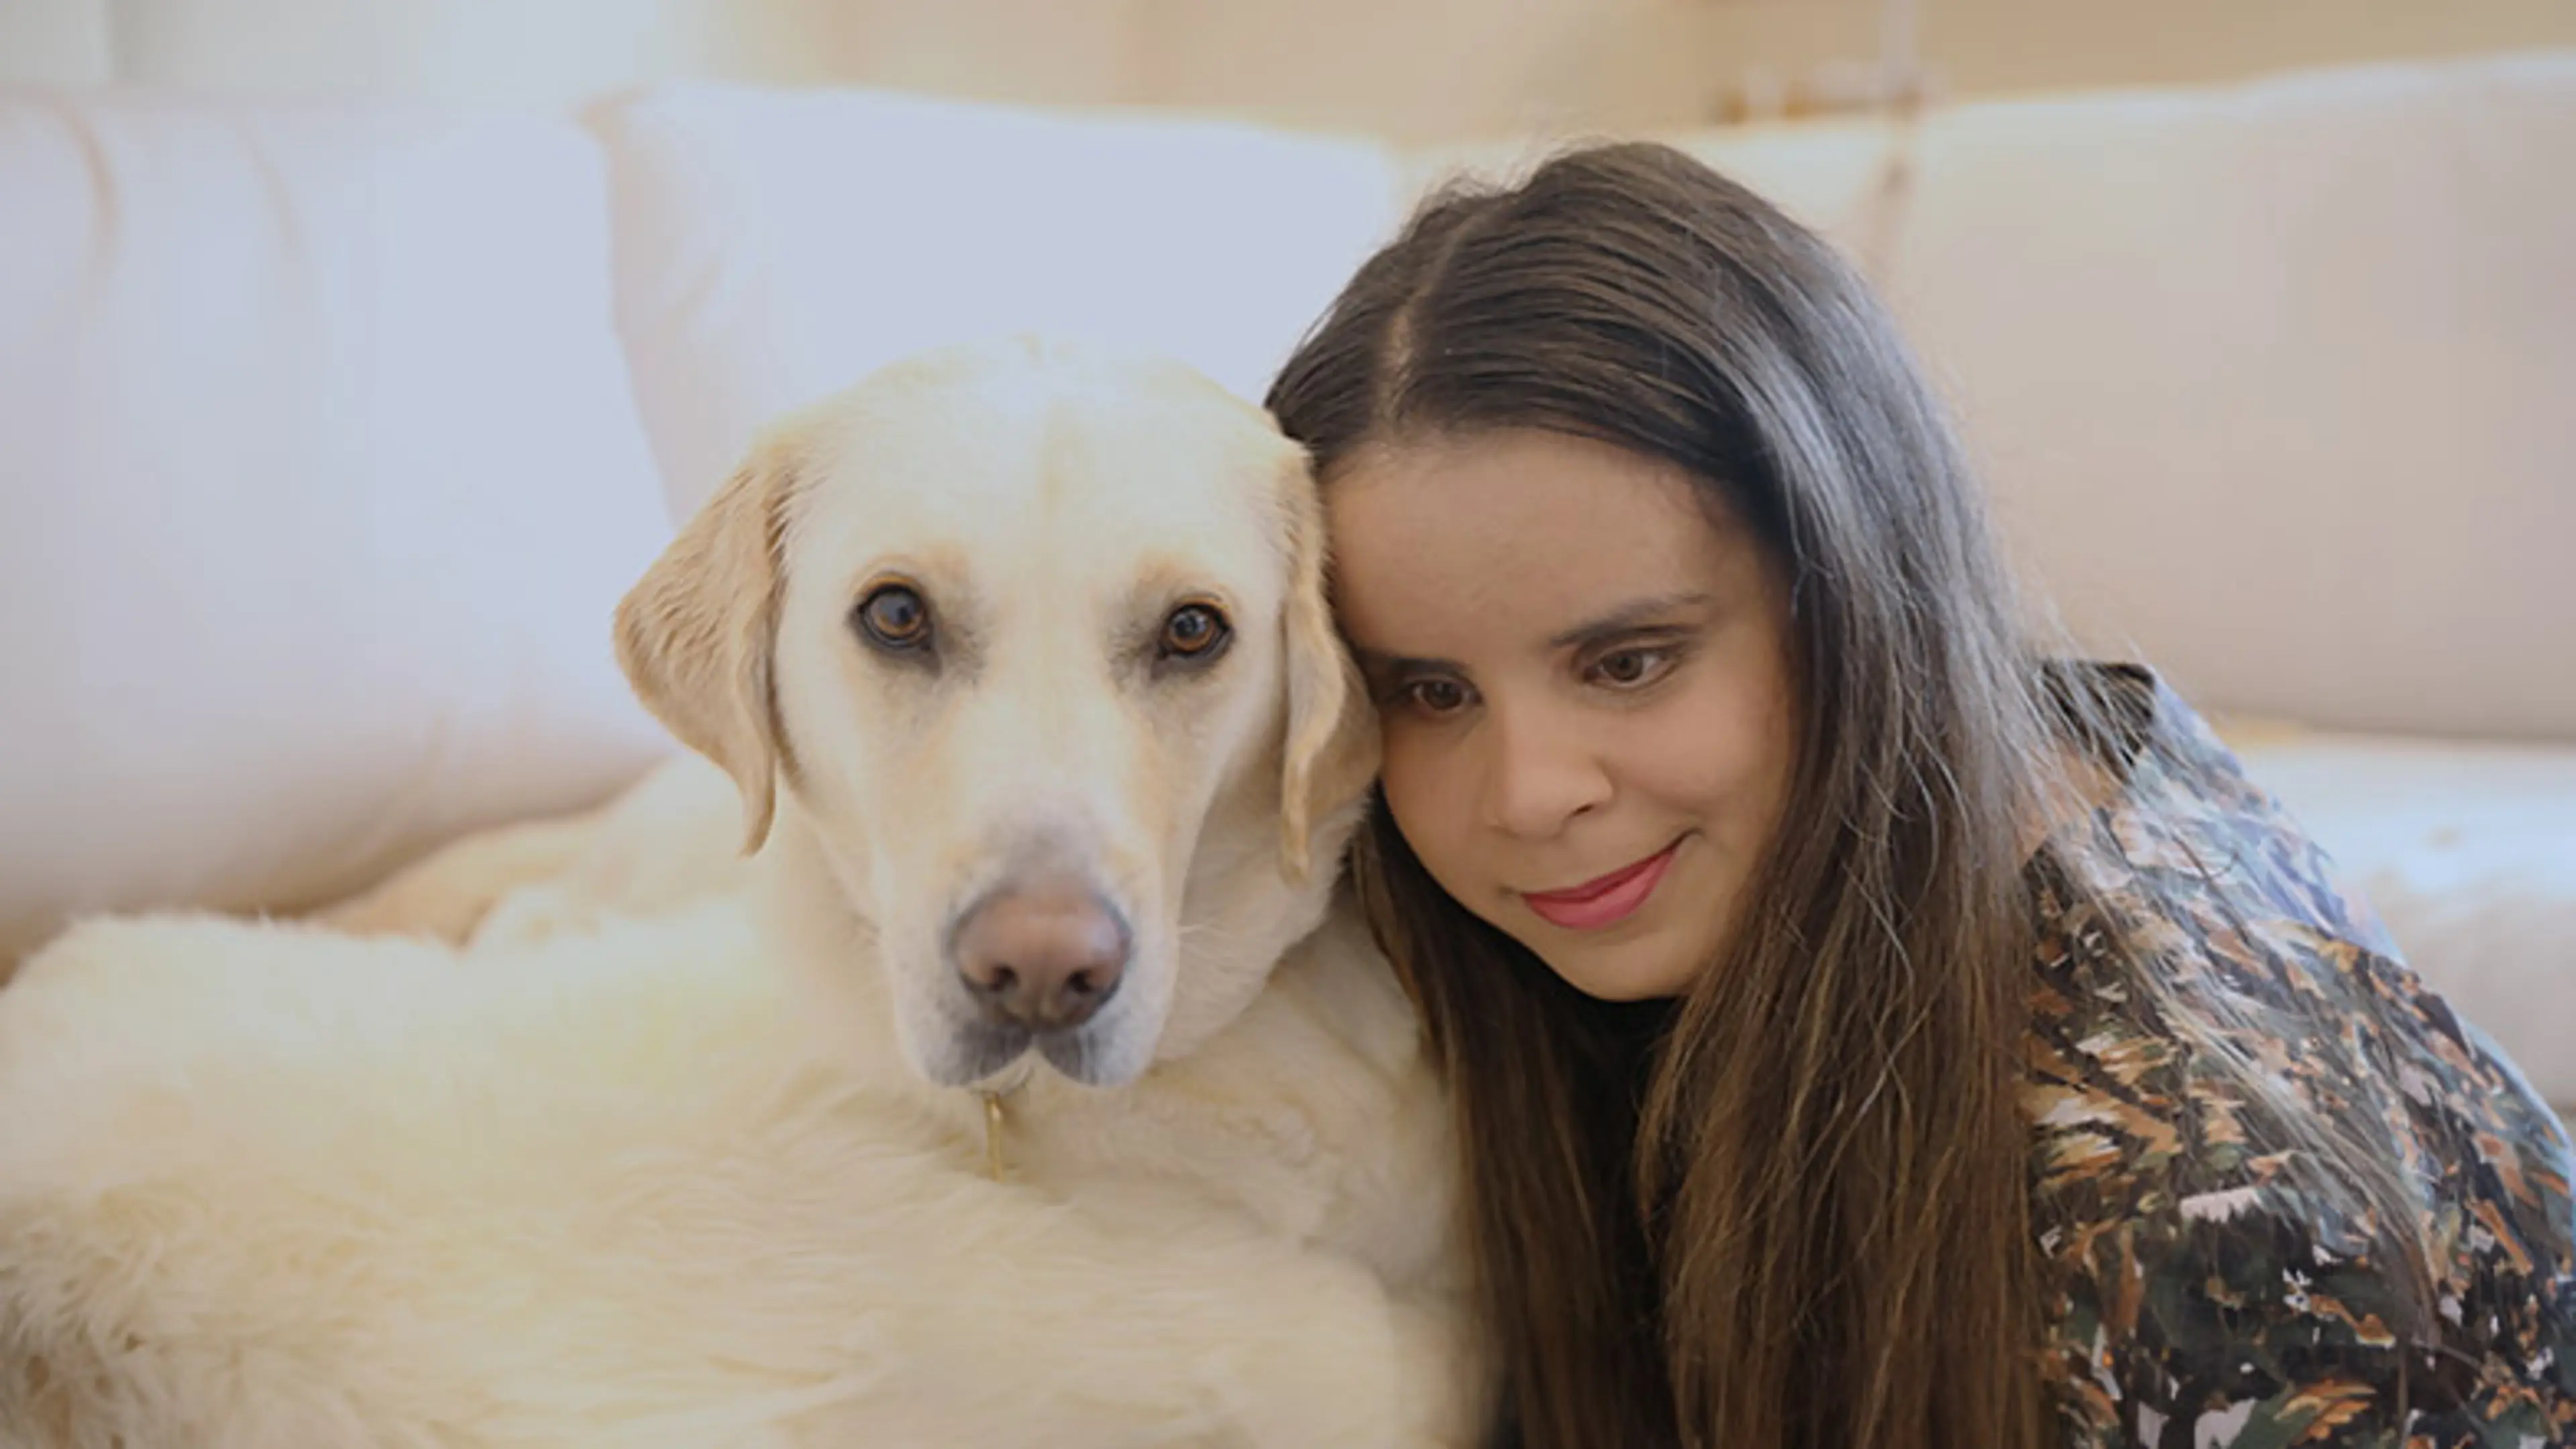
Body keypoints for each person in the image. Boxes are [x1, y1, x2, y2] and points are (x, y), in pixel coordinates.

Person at [1265, 141, 2575, 1449]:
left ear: (1855, 593)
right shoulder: (2060, 732)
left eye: (1628, 662)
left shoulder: (2193, 1214)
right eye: (1429, 692)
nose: (1530, 795)